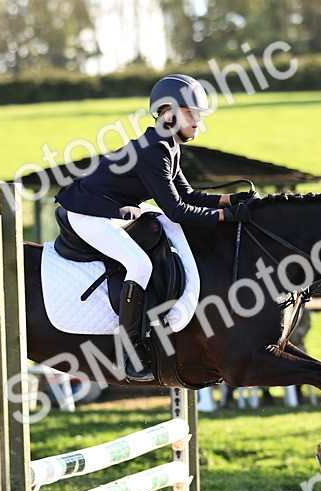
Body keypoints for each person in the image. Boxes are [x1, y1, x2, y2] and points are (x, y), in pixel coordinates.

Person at [54, 74, 253, 382]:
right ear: (169, 112)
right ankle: (129, 351)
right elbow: (176, 210)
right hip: (88, 213)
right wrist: (227, 218)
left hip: (114, 211)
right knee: (139, 264)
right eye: (192, 113)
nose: (198, 121)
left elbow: (186, 195)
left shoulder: (168, 145)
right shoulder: (154, 149)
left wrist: (228, 200)